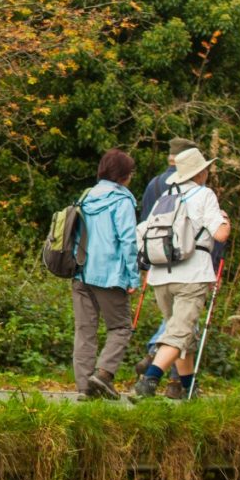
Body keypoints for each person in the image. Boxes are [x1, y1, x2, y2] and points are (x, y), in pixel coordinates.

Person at [132, 147, 230, 400]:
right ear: (200, 173)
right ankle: (149, 380)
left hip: (161, 275)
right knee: (178, 333)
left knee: (183, 331)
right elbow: (220, 235)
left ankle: (188, 389)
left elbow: (142, 231)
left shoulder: (166, 195)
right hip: (192, 274)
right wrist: (224, 220)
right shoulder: (205, 195)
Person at [71, 149, 141, 400]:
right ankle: (103, 375)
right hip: (110, 274)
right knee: (121, 327)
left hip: (81, 272)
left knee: (84, 329)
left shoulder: (86, 196)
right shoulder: (122, 201)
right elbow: (128, 241)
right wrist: (133, 277)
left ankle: (84, 388)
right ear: (123, 175)